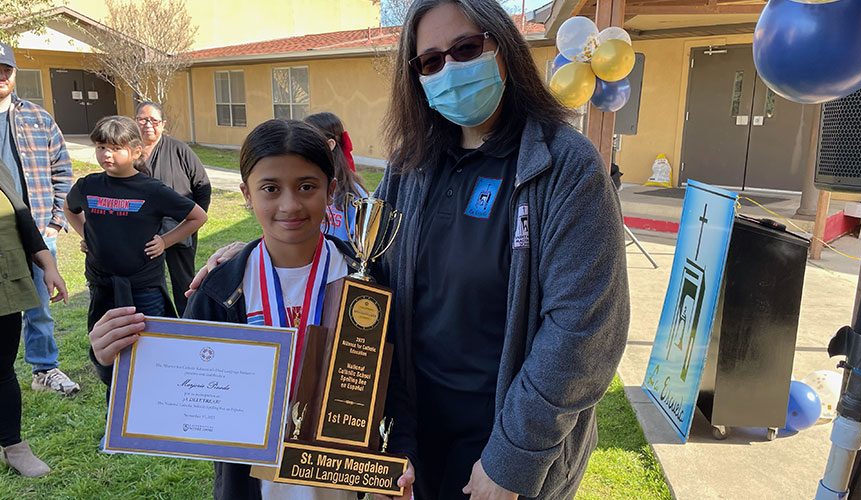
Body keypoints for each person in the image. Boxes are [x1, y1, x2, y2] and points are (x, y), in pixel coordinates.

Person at [191, 1, 629, 498]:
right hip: (411, 433)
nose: (451, 69)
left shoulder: (565, 167)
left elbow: (585, 329)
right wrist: (254, 254)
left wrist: (514, 456)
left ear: (503, 47)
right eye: (431, 61)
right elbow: (364, 255)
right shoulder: (412, 162)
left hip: (501, 443)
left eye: (466, 49)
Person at [88, 119, 413, 500]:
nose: (289, 204)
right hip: (252, 486)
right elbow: (175, 392)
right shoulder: (220, 291)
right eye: (270, 189)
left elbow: (399, 384)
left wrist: (402, 452)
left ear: (331, 191)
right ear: (246, 195)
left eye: (307, 187)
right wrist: (110, 360)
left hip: (350, 481)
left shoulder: (367, 285)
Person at [63, 116, 207, 397]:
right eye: (101, 147)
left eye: (115, 148)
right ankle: (116, 412)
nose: (106, 154)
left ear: (136, 151)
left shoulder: (151, 190)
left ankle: (156, 402)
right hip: (102, 285)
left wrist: (165, 241)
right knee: (109, 354)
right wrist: (87, 238)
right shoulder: (89, 185)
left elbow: (197, 216)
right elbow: (71, 210)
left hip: (144, 288)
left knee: (152, 350)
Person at [0, 41, 79, 395]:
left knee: (39, 306)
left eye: (6, 70)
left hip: (36, 230)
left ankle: (44, 370)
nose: (0, 76)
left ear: (14, 73)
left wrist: (53, 223)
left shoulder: (37, 118)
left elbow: (63, 171)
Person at [0, 158, 68, 477]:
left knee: (2, 370)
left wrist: (48, 266)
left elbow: (22, 218)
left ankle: (13, 448)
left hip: (5, 283)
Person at [135, 101, 212, 316]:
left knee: (184, 282)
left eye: (153, 120)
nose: (148, 124)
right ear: (135, 122)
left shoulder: (179, 149)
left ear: (163, 124)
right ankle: (160, 324)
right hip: (144, 234)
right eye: (142, 119)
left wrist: (193, 221)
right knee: (149, 284)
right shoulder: (131, 153)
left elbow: (202, 186)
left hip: (180, 229)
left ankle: (189, 323)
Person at [304, 112, 368, 242]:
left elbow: (361, 246)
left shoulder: (355, 195)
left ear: (330, 145)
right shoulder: (304, 187)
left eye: (307, 141)